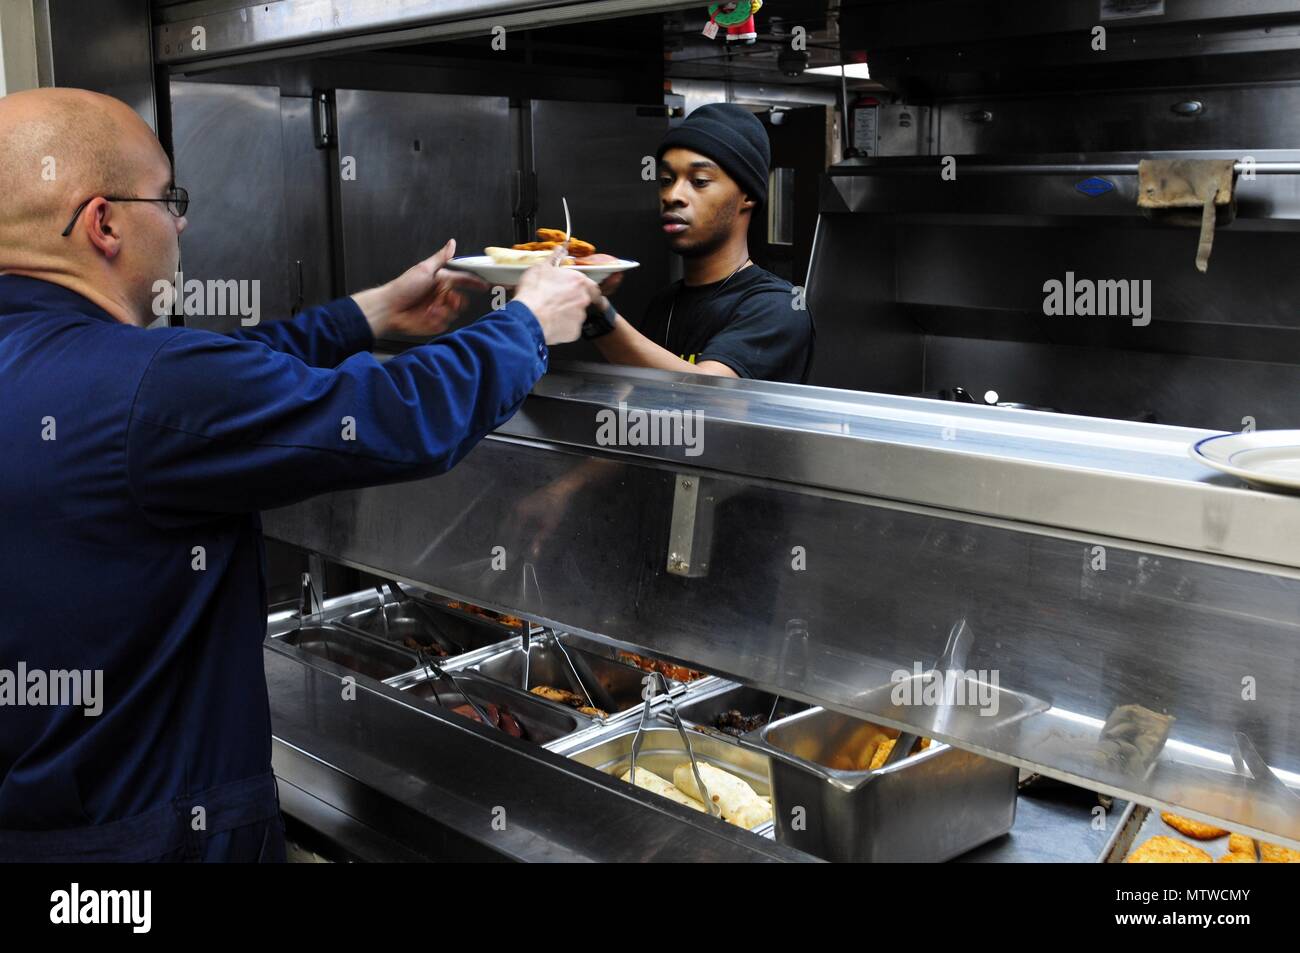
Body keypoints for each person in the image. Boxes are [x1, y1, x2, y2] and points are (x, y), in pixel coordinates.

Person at [0, 87, 604, 861]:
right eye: (168, 199)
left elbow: (223, 383)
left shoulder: (91, 373)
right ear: (104, 222)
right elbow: (398, 416)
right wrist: (527, 325)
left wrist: (371, 313)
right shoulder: (150, 386)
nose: (180, 222)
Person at [584, 102, 814, 384]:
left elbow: (713, 395)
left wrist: (598, 314)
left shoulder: (778, 307)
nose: (672, 195)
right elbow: (644, 393)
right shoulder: (664, 304)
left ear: (748, 196)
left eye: (700, 180)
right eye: (667, 179)